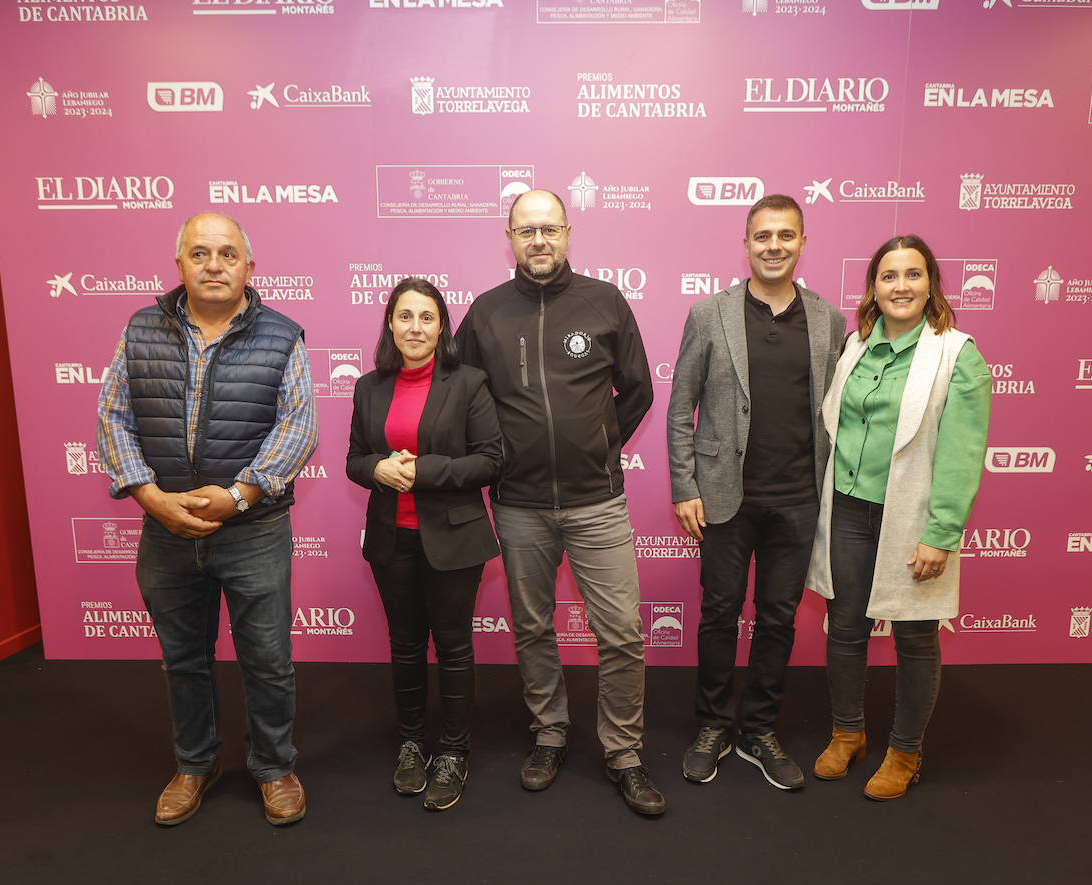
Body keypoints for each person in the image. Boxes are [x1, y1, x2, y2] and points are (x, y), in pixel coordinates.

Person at [96, 212, 317, 826]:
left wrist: (240, 495)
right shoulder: (140, 330)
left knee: (267, 659)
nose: (214, 265)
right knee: (183, 659)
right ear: (180, 266)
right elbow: (114, 416)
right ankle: (196, 763)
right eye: (200, 254)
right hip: (164, 529)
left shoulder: (283, 335)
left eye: (227, 254)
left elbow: (298, 426)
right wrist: (148, 496)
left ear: (250, 266)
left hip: (253, 530)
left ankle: (274, 767)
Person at [454, 189, 663, 816]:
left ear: (568, 233)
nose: (539, 240)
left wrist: (597, 445)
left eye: (549, 229)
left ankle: (623, 752)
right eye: (526, 230)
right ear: (510, 237)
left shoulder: (604, 302)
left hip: (596, 500)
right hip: (518, 503)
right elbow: (462, 396)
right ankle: (549, 733)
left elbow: (640, 390)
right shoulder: (485, 314)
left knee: (621, 633)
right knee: (532, 627)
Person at [667, 194, 846, 790]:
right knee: (719, 615)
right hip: (724, 496)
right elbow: (679, 406)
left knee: (777, 620)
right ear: (745, 244)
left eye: (786, 235)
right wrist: (684, 484)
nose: (774, 245)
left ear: (802, 242)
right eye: (763, 236)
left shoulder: (828, 320)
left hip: (798, 499)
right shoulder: (709, 314)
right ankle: (714, 725)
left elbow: (837, 412)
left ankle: (759, 731)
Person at [805, 234, 991, 801]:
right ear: (873, 287)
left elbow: (962, 454)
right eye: (889, 276)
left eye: (913, 275)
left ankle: (905, 751)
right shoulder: (855, 347)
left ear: (931, 282)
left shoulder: (957, 354)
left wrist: (942, 534)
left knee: (914, 635)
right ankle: (847, 734)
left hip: (910, 518)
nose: (901, 286)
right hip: (847, 511)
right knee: (844, 628)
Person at [346, 277, 501, 812]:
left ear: (442, 326)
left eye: (427, 317)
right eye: (405, 316)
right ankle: (412, 744)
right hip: (392, 540)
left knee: (454, 647)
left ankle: (454, 752)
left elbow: (490, 459)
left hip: (453, 539)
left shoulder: (470, 382)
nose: (416, 327)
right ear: (390, 323)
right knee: (406, 645)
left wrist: (421, 471)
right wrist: (379, 468)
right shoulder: (369, 386)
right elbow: (353, 460)